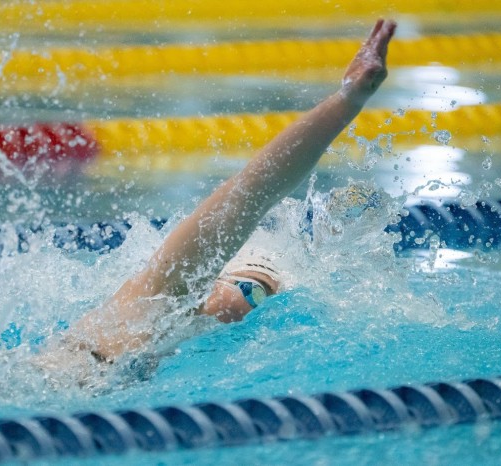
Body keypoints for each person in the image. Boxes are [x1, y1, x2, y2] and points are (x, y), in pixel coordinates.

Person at [36, 20, 397, 385]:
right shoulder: (116, 341)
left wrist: (346, 103)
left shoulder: (153, 304)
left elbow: (252, 191)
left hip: (259, 272)